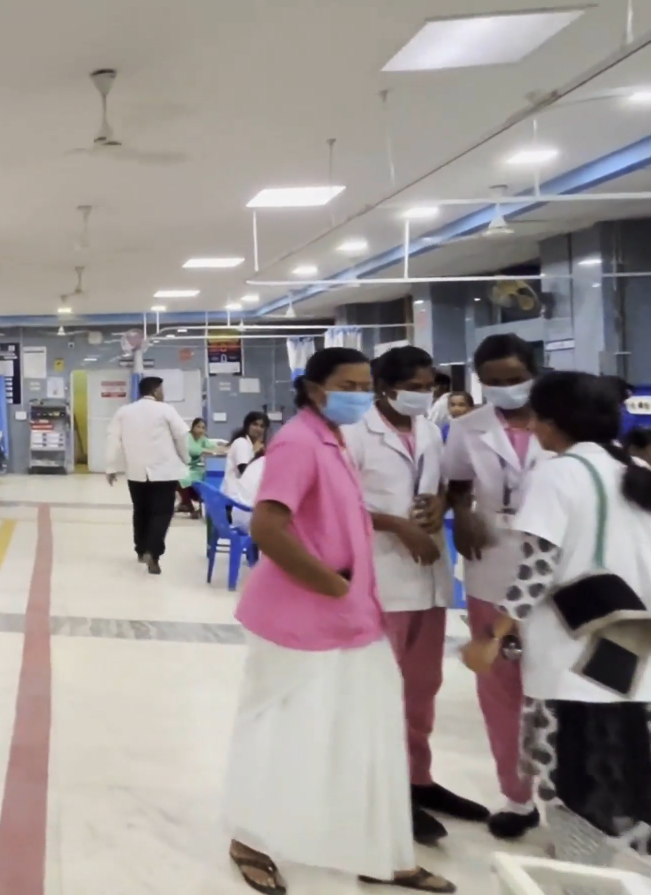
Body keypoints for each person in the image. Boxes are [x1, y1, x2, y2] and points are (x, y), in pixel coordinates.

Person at [224, 347, 453, 894]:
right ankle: (250, 841)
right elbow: (268, 526)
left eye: (364, 384)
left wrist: (348, 592)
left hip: (353, 615)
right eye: (348, 386)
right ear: (314, 389)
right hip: (300, 618)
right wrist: (331, 583)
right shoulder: (299, 442)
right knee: (280, 730)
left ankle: (383, 853)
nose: (359, 395)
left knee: (369, 731)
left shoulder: (335, 439)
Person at [460, 372, 651, 879]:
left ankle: (585, 880)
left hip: (586, 661)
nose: (532, 428)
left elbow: (537, 568)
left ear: (551, 423)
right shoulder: (643, 471)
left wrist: (495, 633)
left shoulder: (558, 474)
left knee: (580, 787)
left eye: (536, 418)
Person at [341, 346, 486, 846]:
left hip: (428, 578)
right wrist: (399, 526)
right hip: (381, 578)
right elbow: (338, 503)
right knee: (382, 692)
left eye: (429, 388)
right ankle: (383, 792)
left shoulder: (426, 430)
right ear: (384, 387)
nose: (424, 396)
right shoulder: (355, 433)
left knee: (423, 688)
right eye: (414, 388)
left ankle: (418, 780)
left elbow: (439, 485)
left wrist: (440, 504)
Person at [442, 332, 544, 838]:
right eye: (492, 382)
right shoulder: (468, 427)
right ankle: (517, 797)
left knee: (562, 686)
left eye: (515, 379)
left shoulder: (562, 420)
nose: (505, 389)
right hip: (492, 565)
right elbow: (457, 483)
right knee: (503, 689)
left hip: (559, 574)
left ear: (534, 374)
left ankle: (572, 797)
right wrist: (462, 516)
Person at [104, 377, 192, 575]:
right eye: (162, 389)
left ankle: (141, 549)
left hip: (136, 472)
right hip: (164, 472)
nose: (163, 393)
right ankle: (153, 552)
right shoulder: (166, 410)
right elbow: (181, 436)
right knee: (161, 513)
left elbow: (113, 438)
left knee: (141, 511)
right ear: (155, 390)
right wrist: (186, 459)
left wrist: (111, 467)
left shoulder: (124, 411)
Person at [178, 417, 214, 520]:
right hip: (184, 467)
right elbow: (192, 450)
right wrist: (205, 451)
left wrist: (222, 448)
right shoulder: (187, 437)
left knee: (205, 479)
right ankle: (189, 506)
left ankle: (191, 504)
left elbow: (212, 447)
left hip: (196, 469)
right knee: (183, 479)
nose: (200, 430)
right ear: (193, 427)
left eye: (203, 428)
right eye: (198, 427)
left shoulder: (202, 438)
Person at [224, 411, 269, 491]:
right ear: (247, 425)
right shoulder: (241, 443)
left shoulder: (255, 445)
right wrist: (255, 454)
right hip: (235, 492)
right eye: (255, 424)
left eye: (262, 426)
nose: (258, 429)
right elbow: (245, 472)